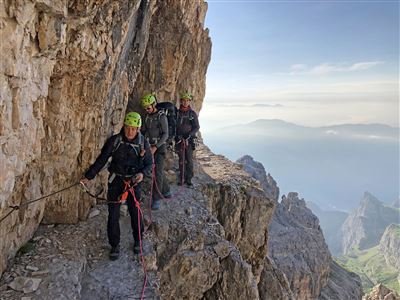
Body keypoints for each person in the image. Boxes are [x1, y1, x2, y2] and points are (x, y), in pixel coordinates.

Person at [80, 112, 152, 260]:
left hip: (134, 181)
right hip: (116, 180)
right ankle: (115, 245)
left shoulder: (143, 143)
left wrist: (142, 174)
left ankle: (138, 240)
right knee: (113, 214)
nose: (130, 131)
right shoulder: (115, 141)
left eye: (133, 128)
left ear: (138, 128)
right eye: (127, 127)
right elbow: (102, 159)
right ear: (124, 126)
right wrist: (89, 176)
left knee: (135, 211)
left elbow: (149, 164)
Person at [140, 93, 171, 210]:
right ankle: (166, 190)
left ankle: (156, 199)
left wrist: (156, 147)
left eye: (148, 107)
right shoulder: (147, 117)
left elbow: (166, 134)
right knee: (157, 171)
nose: (146, 110)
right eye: (145, 108)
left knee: (157, 172)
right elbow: (144, 131)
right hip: (149, 146)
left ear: (153, 105)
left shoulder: (161, 116)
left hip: (160, 147)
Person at [175, 91, 200, 187]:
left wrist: (189, 135)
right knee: (181, 160)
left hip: (188, 140)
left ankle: (188, 180)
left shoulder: (192, 114)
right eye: (184, 100)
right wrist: (177, 136)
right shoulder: (177, 113)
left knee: (189, 160)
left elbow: (196, 127)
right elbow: (174, 126)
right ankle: (182, 178)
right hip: (179, 140)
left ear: (189, 102)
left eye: (187, 101)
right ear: (181, 101)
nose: (185, 102)